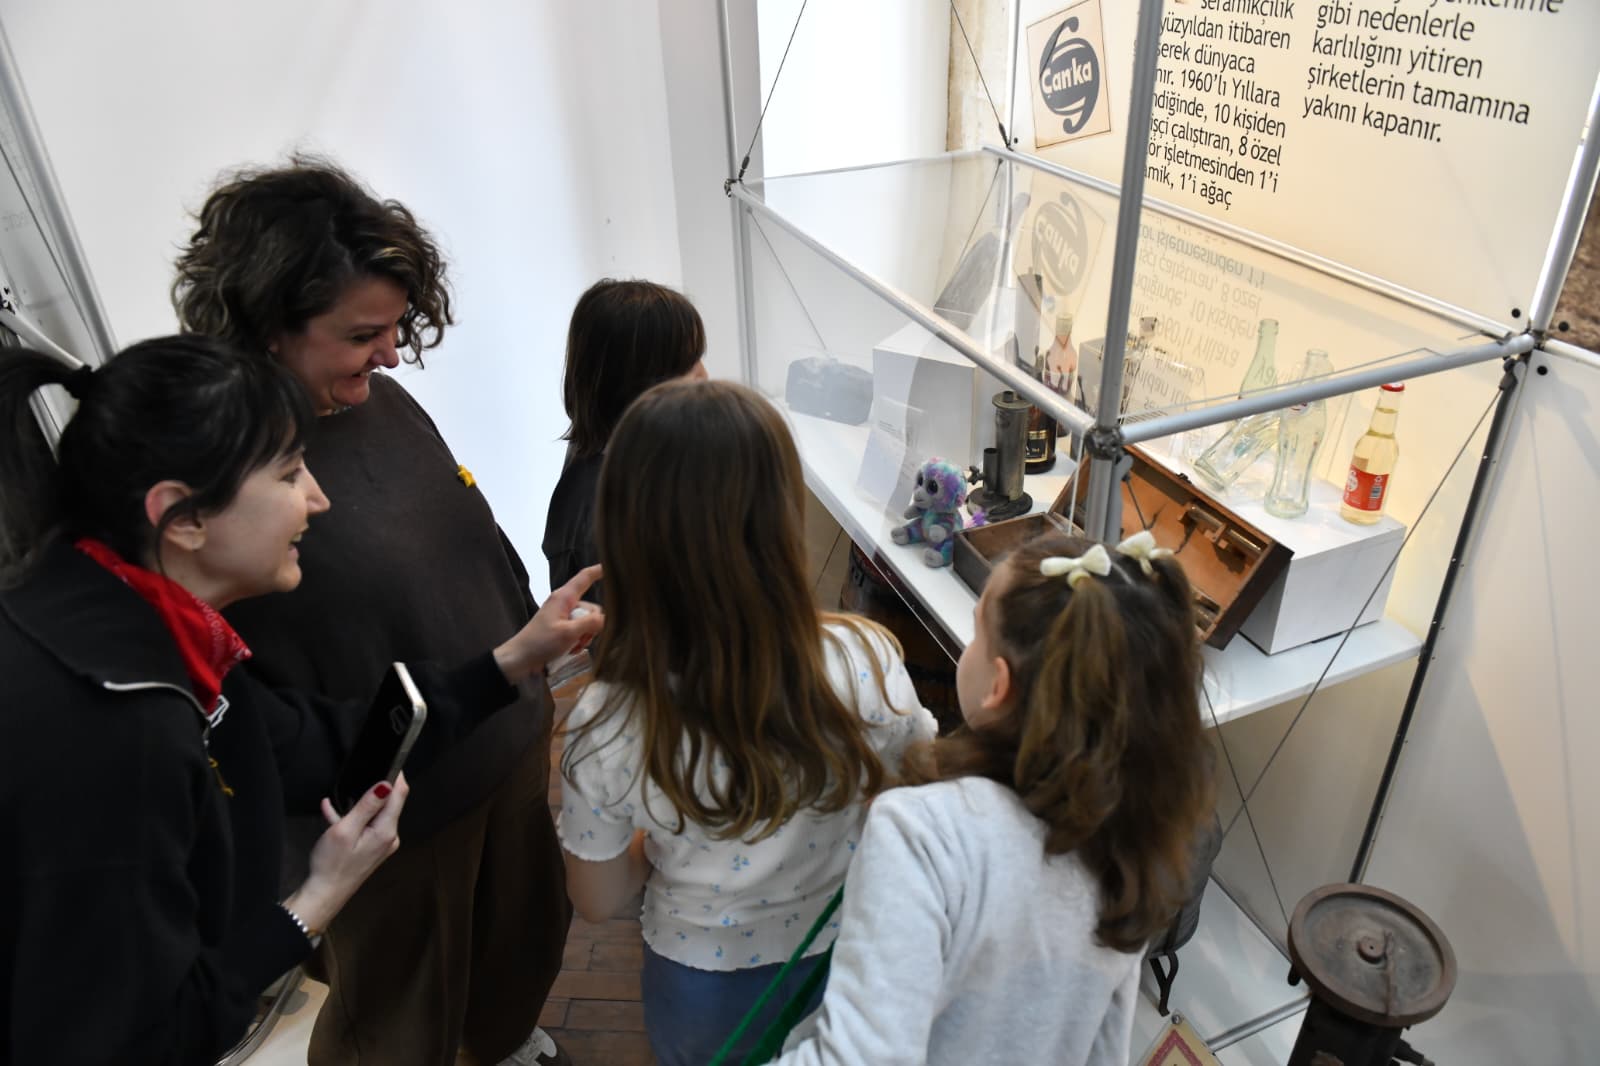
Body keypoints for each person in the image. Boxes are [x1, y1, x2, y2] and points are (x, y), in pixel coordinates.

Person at [0, 338, 601, 1065]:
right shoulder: (114, 731)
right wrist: (319, 896)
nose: (318, 497)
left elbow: (309, 742)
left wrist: (513, 659)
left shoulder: (141, 626)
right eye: (289, 473)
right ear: (182, 517)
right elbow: (145, 1034)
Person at [171, 158, 577, 1066]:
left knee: (519, 946)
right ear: (268, 323)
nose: (391, 354)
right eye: (363, 334)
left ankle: (499, 1041)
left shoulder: (379, 399)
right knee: (396, 1017)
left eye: (396, 327)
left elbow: (463, 533)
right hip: (392, 821)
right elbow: (225, 692)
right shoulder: (212, 462)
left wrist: (527, 638)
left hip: (502, 742)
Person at [556, 380, 938, 1066]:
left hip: (698, 986)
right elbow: (914, 788)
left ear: (625, 532)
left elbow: (598, 898)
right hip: (844, 950)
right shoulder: (867, 657)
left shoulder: (606, 719)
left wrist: (663, 838)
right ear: (782, 517)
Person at [768, 529, 1216, 1065]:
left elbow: (860, 1056)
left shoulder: (919, 833)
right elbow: (1105, 1049)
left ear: (998, 686)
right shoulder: (1127, 846)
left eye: (978, 629)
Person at [543, 277, 706, 598]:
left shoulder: (632, 459)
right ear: (636, 382)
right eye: (687, 365)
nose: (703, 375)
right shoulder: (609, 522)